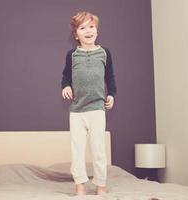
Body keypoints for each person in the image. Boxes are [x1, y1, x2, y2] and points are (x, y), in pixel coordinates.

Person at [61, 11, 117, 195]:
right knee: (77, 150)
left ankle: (101, 185)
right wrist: (66, 86)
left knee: (98, 149)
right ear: (76, 34)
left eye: (91, 26)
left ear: (97, 31)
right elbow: (66, 76)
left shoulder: (104, 53)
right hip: (77, 110)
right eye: (82, 27)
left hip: (97, 108)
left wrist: (112, 94)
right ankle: (80, 185)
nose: (88, 30)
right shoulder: (72, 55)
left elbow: (110, 77)